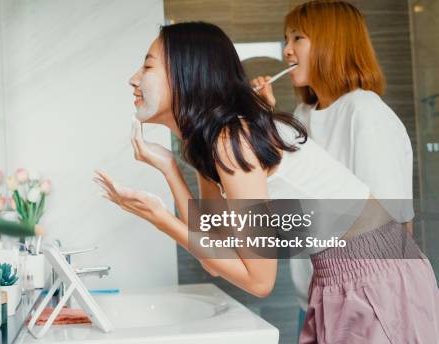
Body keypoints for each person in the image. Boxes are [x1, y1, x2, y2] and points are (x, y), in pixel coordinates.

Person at [94, 21, 439, 343]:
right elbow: (215, 254)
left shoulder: (232, 140)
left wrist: (161, 218)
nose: (133, 79)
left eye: (148, 66)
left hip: (375, 278)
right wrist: (169, 167)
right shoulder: (214, 141)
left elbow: (258, 281)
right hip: (342, 277)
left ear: (185, 73)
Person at [250, 1, 416, 340]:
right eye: (286, 39)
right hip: (315, 300)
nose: (286, 50)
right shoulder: (302, 113)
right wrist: (263, 121)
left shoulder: (365, 112)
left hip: (366, 303)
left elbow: (393, 228)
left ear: (332, 43)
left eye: (298, 38)